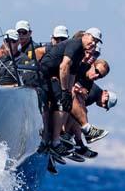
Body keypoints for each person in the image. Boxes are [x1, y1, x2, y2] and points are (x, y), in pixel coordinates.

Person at [38, 28, 100, 156]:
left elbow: (71, 73)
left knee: (66, 101)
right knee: (60, 100)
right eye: (93, 39)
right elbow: (64, 66)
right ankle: (53, 141)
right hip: (42, 76)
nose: (93, 43)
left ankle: (59, 140)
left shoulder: (81, 53)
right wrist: (64, 90)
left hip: (51, 78)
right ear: (85, 35)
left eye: (97, 42)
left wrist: (68, 92)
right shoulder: (75, 44)